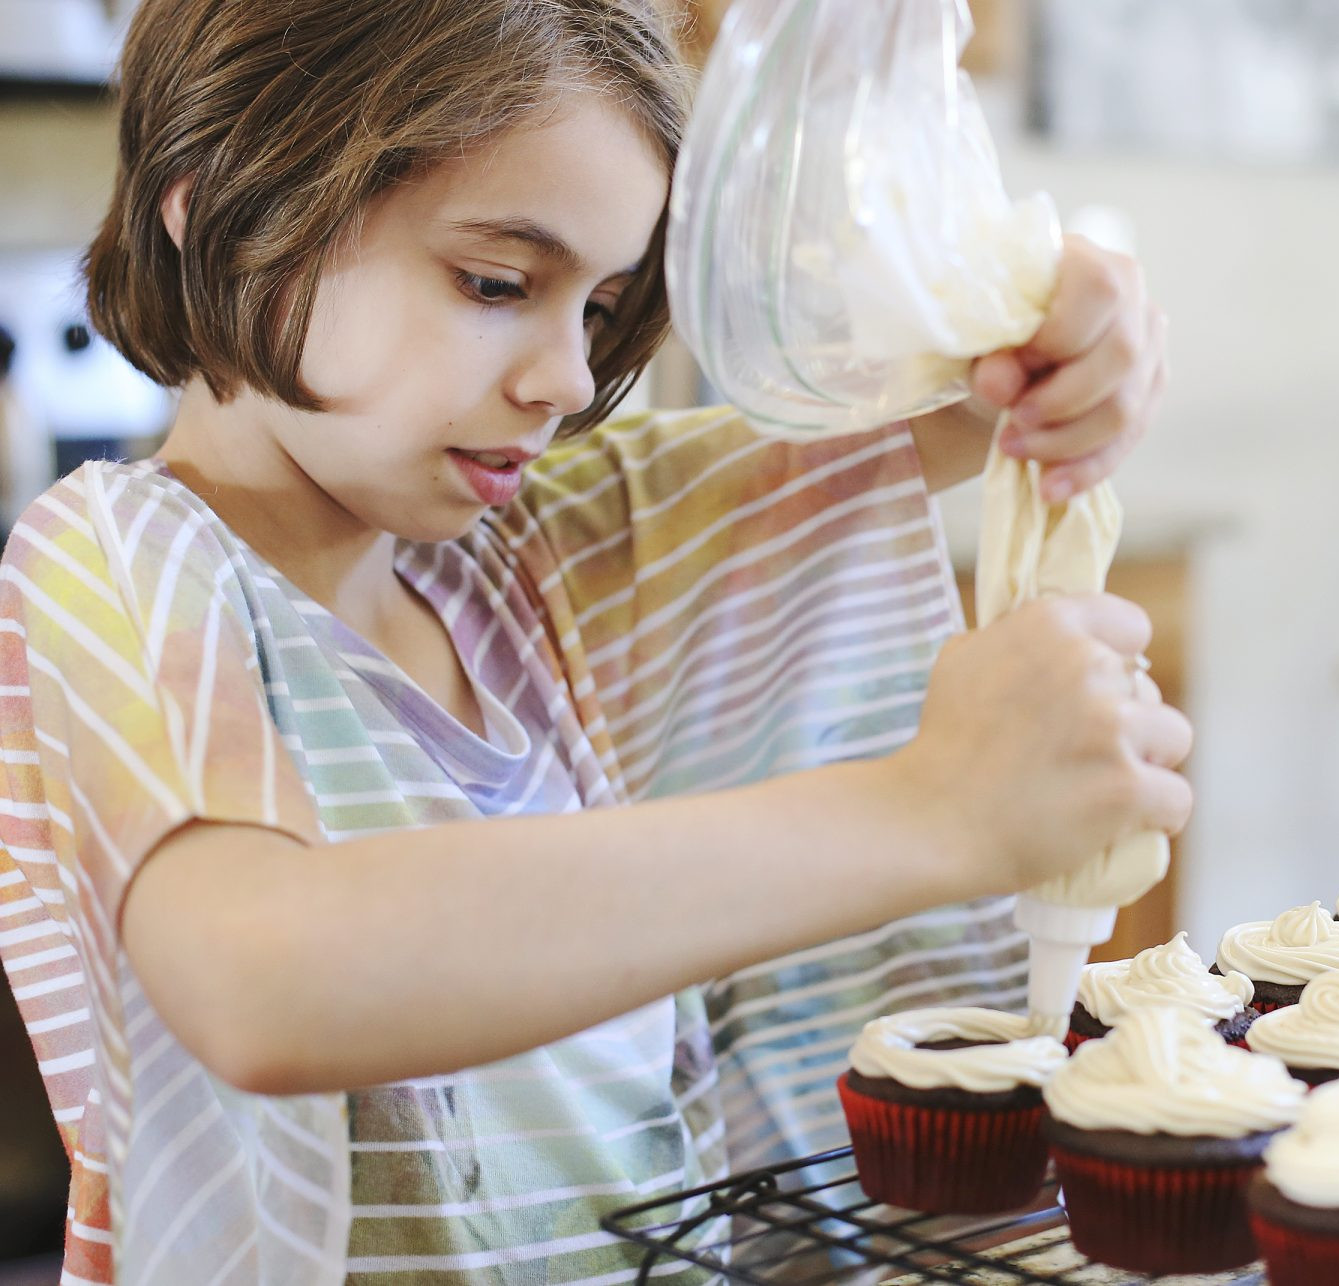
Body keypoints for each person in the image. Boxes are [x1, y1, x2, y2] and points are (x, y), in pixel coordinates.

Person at [0, 0, 1184, 1281]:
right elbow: (258, 975)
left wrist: (1078, 327)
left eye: (601, 304)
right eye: (497, 282)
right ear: (217, 205)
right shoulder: (117, 556)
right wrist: (931, 809)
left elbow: (962, 395)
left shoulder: (534, 560)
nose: (567, 376)